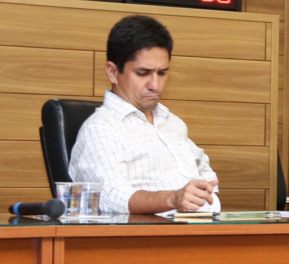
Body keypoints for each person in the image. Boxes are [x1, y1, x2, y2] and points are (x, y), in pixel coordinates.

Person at [69, 15, 220, 214]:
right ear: (113, 72)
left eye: (162, 73)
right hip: (144, 239)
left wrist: (206, 193)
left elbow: (207, 176)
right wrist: (173, 199)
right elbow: (109, 196)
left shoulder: (173, 123)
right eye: (143, 73)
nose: (155, 85)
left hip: (203, 231)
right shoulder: (101, 128)